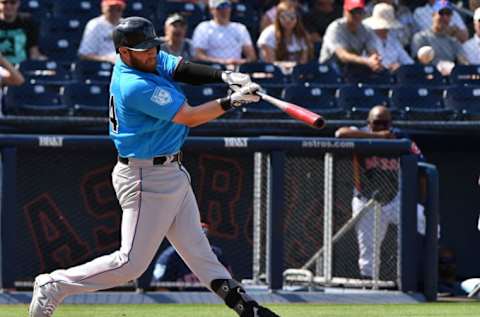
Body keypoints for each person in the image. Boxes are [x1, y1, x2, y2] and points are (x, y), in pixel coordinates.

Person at [28, 16, 280, 317]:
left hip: (170, 170)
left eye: (152, 47)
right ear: (124, 52)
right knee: (130, 264)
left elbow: (181, 67)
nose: (152, 53)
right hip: (145, 177)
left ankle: (248, 308)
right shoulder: (134, 84)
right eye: (144, 49)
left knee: (200, 252)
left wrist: (224, 75)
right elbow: (189, 116)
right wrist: (232, 101)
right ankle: (54, 285)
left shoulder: (146, 60)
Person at [335, 105, 426, 279]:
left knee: (427, 223)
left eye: (385, 124)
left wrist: (420, 201)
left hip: (395, 198)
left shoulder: (400, 136)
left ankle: (422, 275)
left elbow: (421, 164)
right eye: (377, 123)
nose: (382, 127)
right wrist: (377, 137)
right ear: (369, 123)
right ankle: (369, 287)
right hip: (366, 199)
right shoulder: (358, 132)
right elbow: (340, 134)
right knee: (368, 249)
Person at [151, 222, 232, 285]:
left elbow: (228, 281)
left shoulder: (216, 254)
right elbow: (160, 287)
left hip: (210, 300)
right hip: (179, 301)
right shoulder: (170, 256)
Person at [319, 0, 382, 80]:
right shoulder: (335, 28)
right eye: (352, 12)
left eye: (359, 12)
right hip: (329, 68)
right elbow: (342, 56)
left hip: (352, 67)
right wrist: (367, 61)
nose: (356, 15)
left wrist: (375, 60)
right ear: (345, 12)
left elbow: (372, 51)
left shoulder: (366, 29)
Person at [411, 0, 468, 75]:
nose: (444, 17)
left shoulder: (453, 41)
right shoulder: (421, 37)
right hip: (427, 79)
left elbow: (464, 62)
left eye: (447, 14)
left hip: (450, 80)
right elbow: (419, 63)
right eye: (441, 13)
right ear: (433, 15)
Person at [192, 0, 256, 66]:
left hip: (235, 71)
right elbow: (198, 55)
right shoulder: (203, 27)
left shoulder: (240, 28)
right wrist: (223, 62)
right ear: (212, 10)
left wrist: (238, 62)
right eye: (220, 7)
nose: (224, 10)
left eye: (227, 6)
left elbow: (251, 57)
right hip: (212, 70)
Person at [363, 3, 413, 72]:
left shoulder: (393, 40)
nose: (385, 29)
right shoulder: (367, 39)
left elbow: (408, 62)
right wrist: (386, 67)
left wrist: (400, 67)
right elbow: (365, 60)